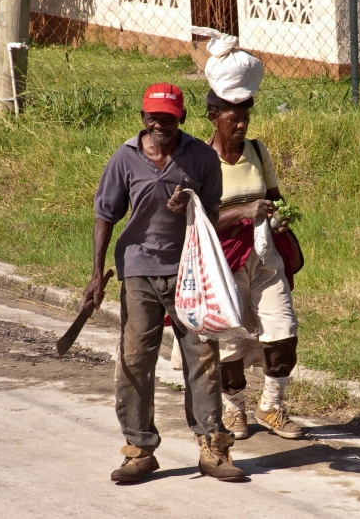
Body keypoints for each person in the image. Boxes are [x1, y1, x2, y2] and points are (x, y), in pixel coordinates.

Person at [83, 82, 245, 483]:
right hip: (138, 268)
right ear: (143, 118)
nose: (160, 124)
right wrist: (95, 274)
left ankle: (212, 448)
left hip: (189, 269)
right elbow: (106, 214)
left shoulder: (202, 157)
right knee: (136, 358)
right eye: (153, 117)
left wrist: (189, 203)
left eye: (168, 118)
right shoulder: (125, 158)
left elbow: (211, 215)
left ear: (182, 119)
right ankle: (139, 450)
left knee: (203, 357)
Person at [206, 89, 303, 441]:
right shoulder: (202, 161)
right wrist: (242, 212)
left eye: (246, 116)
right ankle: (233, 409)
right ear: (213, 116)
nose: (242, 124)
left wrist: (281, 216)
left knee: (283, 329)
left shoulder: (258, 152)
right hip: (224, 260)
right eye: (234, 118)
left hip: (265, 254)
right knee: (230, 339)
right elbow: (198, 221)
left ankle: (271, 406)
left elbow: (275, 199)